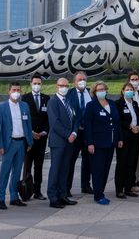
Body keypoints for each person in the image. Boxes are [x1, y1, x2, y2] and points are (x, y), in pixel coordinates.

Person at [0, 82, 33, 210]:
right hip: (8, 143)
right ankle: (0, 198)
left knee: (17, 172)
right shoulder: (1, 108)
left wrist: (29, 141)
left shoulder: (24, 106)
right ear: (9, 91)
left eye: (18, 90)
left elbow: (28, 124)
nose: (16, 92)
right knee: (5, 172)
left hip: (22, 143)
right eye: (14, 90)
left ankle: (14, 197)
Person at [84, 81, 122, 205]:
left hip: (110, 143)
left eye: (103, 89)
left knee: (106, 169)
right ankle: (98, 194)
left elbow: (117, 123)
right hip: (97, 143)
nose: (102, 91)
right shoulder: (91, 105)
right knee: (98, 170)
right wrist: (90, 143)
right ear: (94, 92)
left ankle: (101, 191)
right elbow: (88, 126)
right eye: (99, 90)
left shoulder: (111, 103)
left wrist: (119, 138)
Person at [46, 77, 78, 209]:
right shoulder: (52, 102)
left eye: (66, 85)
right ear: (56, 86)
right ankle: (53, 197)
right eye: (61, 85)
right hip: (58, 141)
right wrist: (67, 134)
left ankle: (63, 195)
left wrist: (74, 133)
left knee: (65, 169)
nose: (64, 88)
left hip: (70, 141)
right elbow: (55, 123)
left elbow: (76, 118)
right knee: (56, 169)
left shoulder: (69, 101)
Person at [115, 82, 139, 198]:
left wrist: (138, 127)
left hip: (135, 138)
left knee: (132, 163)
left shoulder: (135, 104)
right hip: (124, 137)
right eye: (127, 89)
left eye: (131, 89)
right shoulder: (118, 104)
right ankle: (119, 189)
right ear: (122, 91)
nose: (129, 91)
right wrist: (130, 126)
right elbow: (118, 121)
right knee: (122, 163)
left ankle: (128, 188)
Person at [65, 71, 92, 196]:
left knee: (88, 160)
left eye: (84, 79)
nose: (82, 81)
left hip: (88, 132)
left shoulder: (91, 93)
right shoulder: (69, 94)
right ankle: (66, 187)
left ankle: (86, 185)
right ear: (74, 82)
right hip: (75, 133)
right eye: (79, 79)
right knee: (70, 161)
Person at [23, 74, 49, 200]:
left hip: (42, 138)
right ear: (31, 84)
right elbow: (23, 118)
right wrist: (31, 132)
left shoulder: (46, 98)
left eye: (39, 83)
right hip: (29, 138)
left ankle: (37, 191)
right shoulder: (24, 98)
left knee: (39, 166)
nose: (37, 85)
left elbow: (48, 118)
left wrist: (44, 132)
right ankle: (26, 191)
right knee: (27, 165)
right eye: (35, 83)